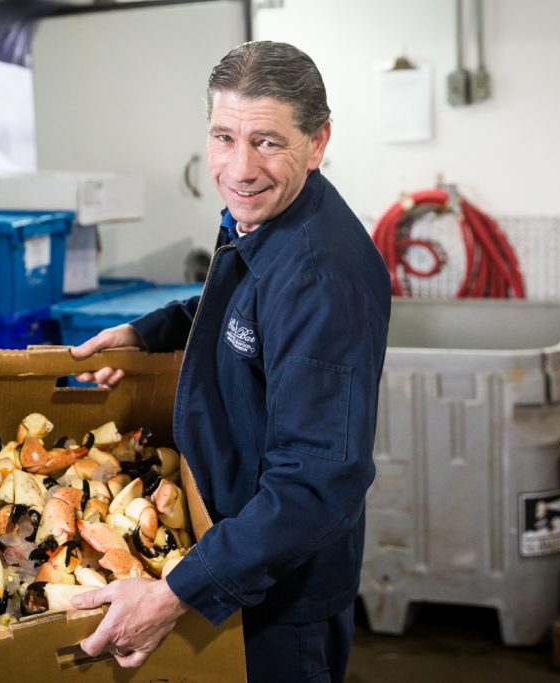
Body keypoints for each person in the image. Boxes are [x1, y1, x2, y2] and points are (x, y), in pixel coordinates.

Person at [69, 40, 391, 683]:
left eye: (268, 142)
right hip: (232, 556)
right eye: (224, 137)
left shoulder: (320, 278)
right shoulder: (263, 220)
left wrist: (176, 593)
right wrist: (147, 332)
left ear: (318, 142)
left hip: (276, 600)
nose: (239, 168)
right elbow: (237, 304)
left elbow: (317, 484)